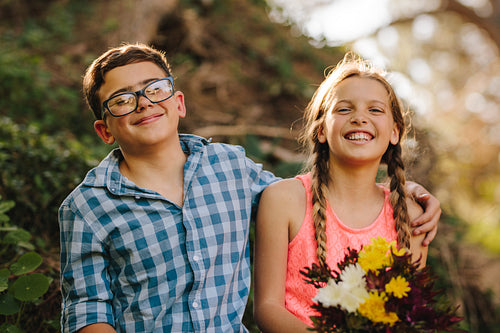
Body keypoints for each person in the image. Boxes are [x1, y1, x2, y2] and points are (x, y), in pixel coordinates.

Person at [59, 44, 440, 333]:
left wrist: (410, 191)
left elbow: (320, 195)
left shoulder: (230, 168)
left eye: (154, 89)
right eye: (123, 100)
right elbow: (88, 307)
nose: (143, 103)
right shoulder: (87, 207)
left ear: (178, 102)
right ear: (104, 129)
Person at [253, 54, 431, 332]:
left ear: (395, 132)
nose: (360, 118)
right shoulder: (284, 200)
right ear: (321, 129)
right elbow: (266, 308)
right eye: (344, 109)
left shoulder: (411, 215)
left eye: (375, 110)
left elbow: (409, 315)